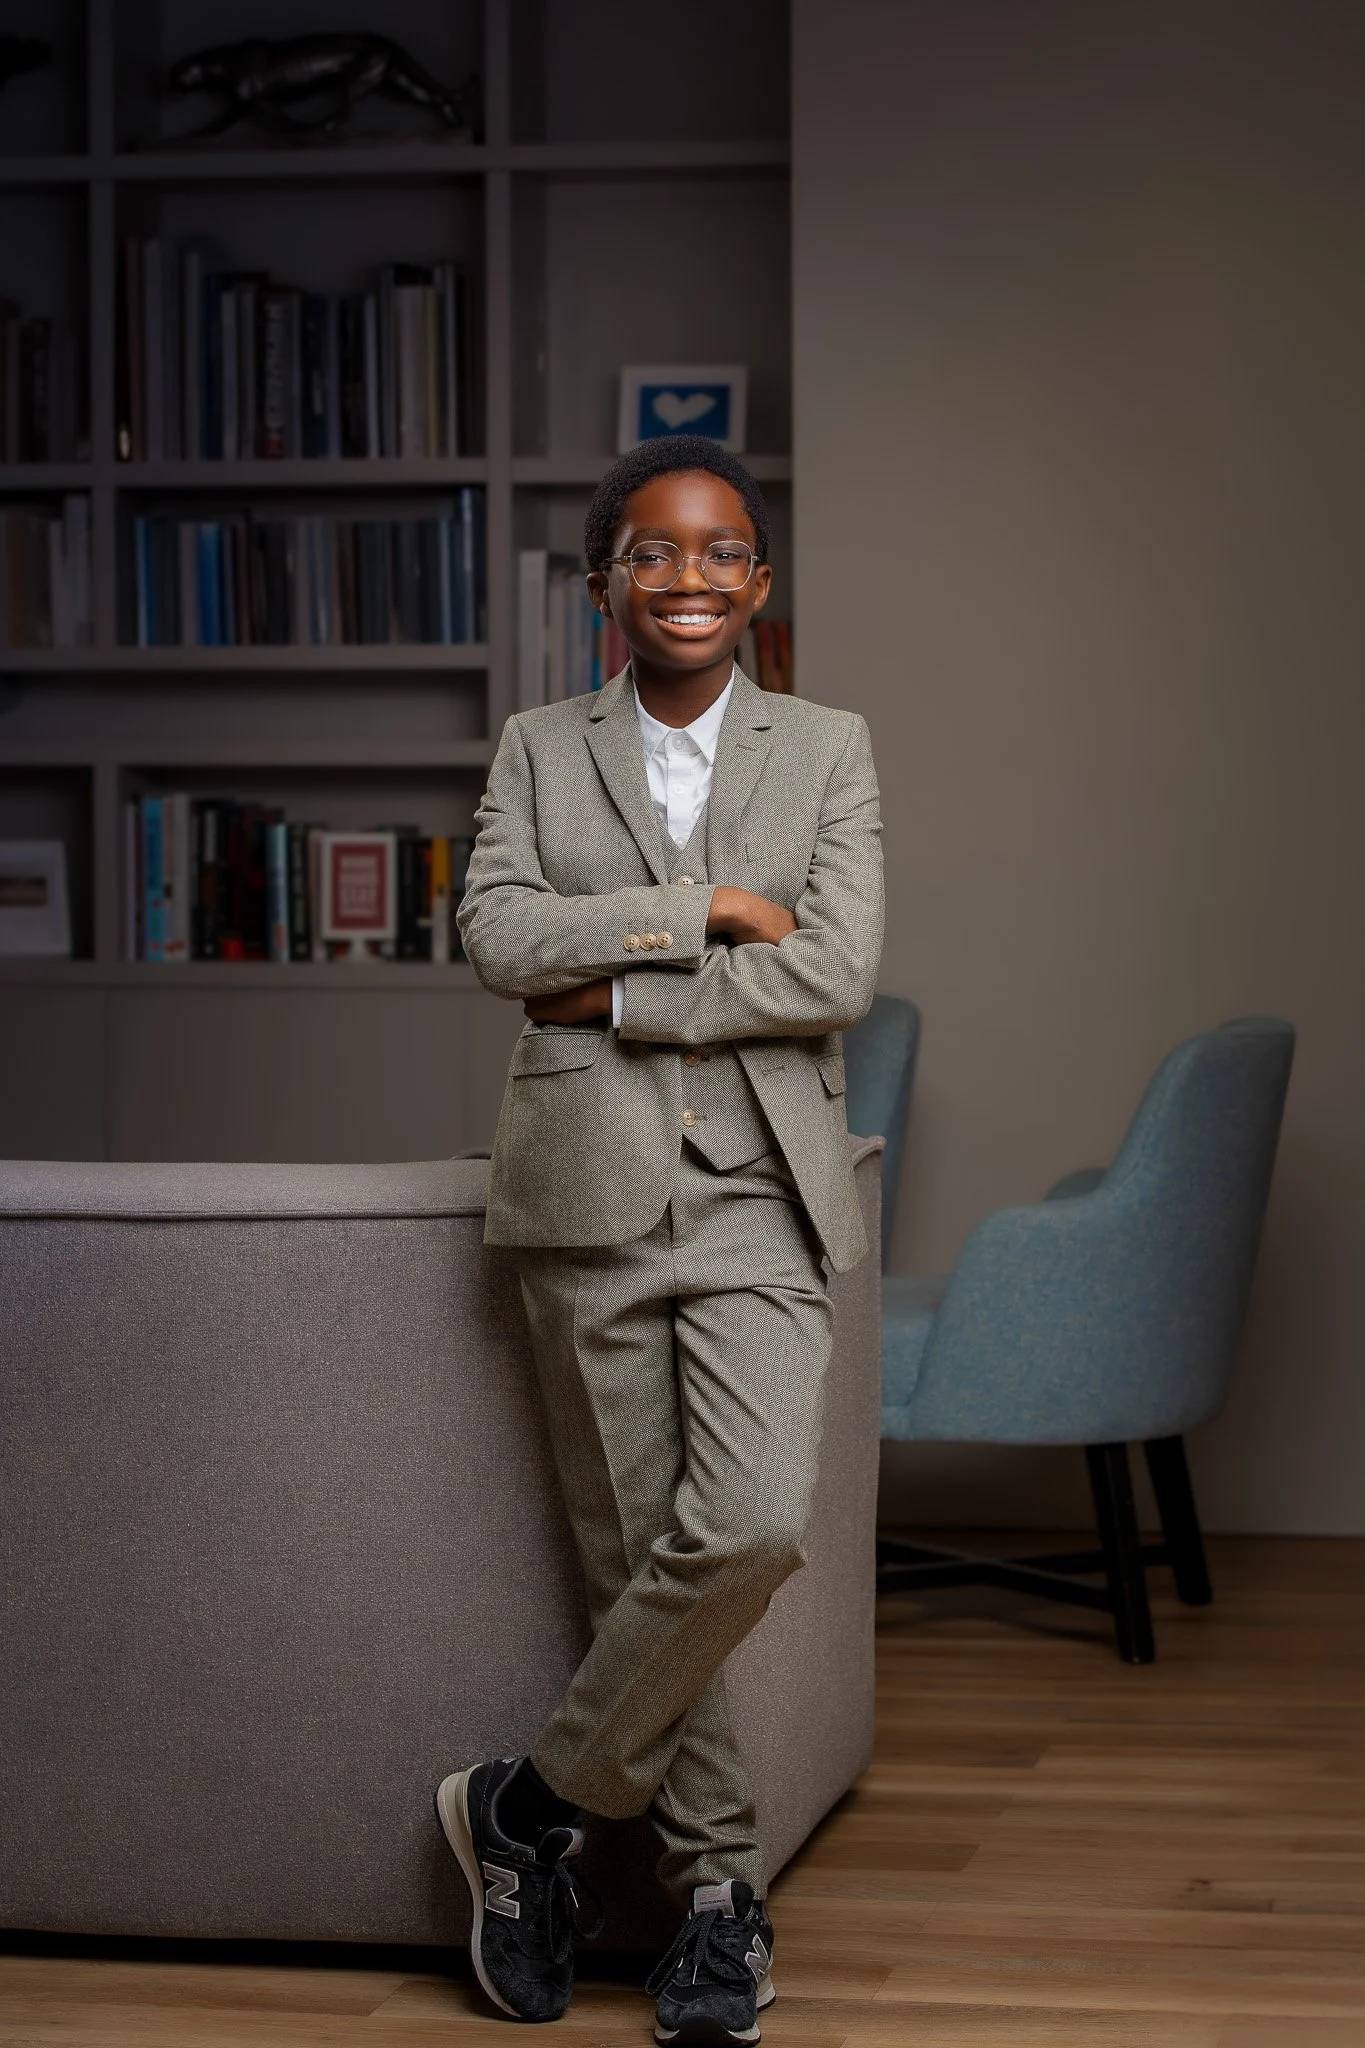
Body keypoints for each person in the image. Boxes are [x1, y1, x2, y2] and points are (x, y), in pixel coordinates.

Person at [440, 434, 883, 2046]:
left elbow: (833, 969)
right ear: (604, 585)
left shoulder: (826, 749)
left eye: (717, 553)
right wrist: (700, 915)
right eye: (652, 553)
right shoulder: (539, 749)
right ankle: (714, 1900)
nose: (685, 577)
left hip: (763, 1191)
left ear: (758, 584)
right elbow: (496, 936)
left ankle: (526, 1807)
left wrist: (610, 994)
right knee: (637, 1557)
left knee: (751, 1525)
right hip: (586, 1203)